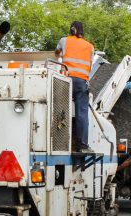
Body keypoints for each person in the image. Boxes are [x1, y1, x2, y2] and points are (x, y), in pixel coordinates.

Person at [55, 20, 94, 153]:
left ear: (72, 29)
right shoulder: (90, 46)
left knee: (60, 110)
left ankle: (58, 141)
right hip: (81, 82)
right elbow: (90, 65)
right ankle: (82, 145)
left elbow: (56, 53)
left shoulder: (64, 40)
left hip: (65, 80)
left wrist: (59, 59)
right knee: (82, 114)